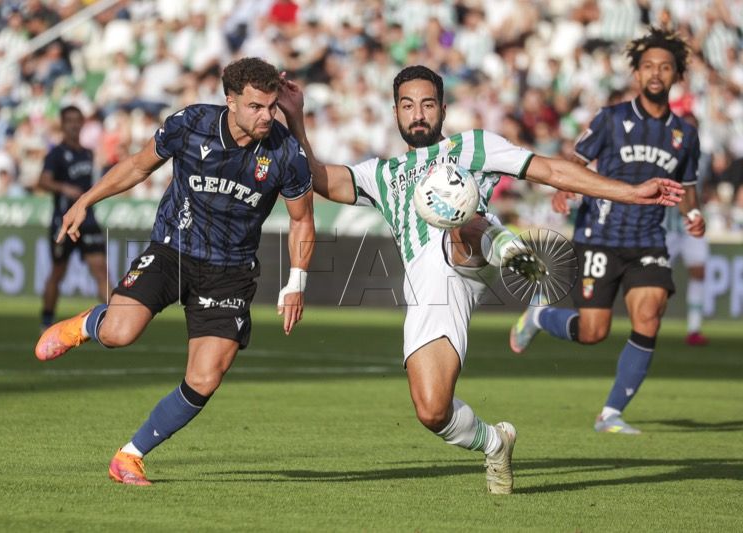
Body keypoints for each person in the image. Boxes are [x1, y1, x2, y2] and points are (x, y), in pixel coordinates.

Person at [277, 65, 684, 494]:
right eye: (408, 105)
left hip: (471, 253)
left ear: (443, 109)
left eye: (428, 104)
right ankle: (495, 442)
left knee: (460, 211)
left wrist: (629, 191)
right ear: (395, 112)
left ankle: (505, 246)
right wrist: (296, 120)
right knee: (432, 410)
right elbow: (319, 179)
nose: (418, 113)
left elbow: (549, 170)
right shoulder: (382, 174)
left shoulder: (474, 146)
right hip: (430, 291)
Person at [35, 58, 315, 485]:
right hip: (173, 250)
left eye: (272, 107)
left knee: (205, 378)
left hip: (230, 271)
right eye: (257, 107)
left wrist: (296, 283)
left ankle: (129, 457)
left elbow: (302, 220)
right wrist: (85, 201)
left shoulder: (285, 151)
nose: (266, 116)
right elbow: (136, 166)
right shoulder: (191, 123)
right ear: (231, 102)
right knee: (118, 334)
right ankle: (90, 323)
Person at [510, 27, 705, 434]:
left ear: (675, 76)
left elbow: (686, 188)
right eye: (648, 66)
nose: (656, 73)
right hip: (599, 235)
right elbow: (576, 160)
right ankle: (541, 317)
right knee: (594, 332)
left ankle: (611, 413)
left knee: (649, 315)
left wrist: (692, 214)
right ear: (636, 73)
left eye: (665, 67)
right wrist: (564, 188)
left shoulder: (685, 134)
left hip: (648, 239)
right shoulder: (612, 119)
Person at [38, 105, 109, 329]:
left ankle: (115, 319)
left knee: (100, 269)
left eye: (78, 120)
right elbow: (43, 181)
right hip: (64, 220)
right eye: (69, 120)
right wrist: (65, 189)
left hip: (88, 220)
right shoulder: (56, 154)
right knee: (58, 271)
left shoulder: (87, 153)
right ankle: (46, 320)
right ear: (62, 123)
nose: (74, 124)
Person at [664, 205, 710, 345]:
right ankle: (646, 322)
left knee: (699, 273)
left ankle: (694, 329)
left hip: (692, 228)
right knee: (656, 275)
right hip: (666, 228)